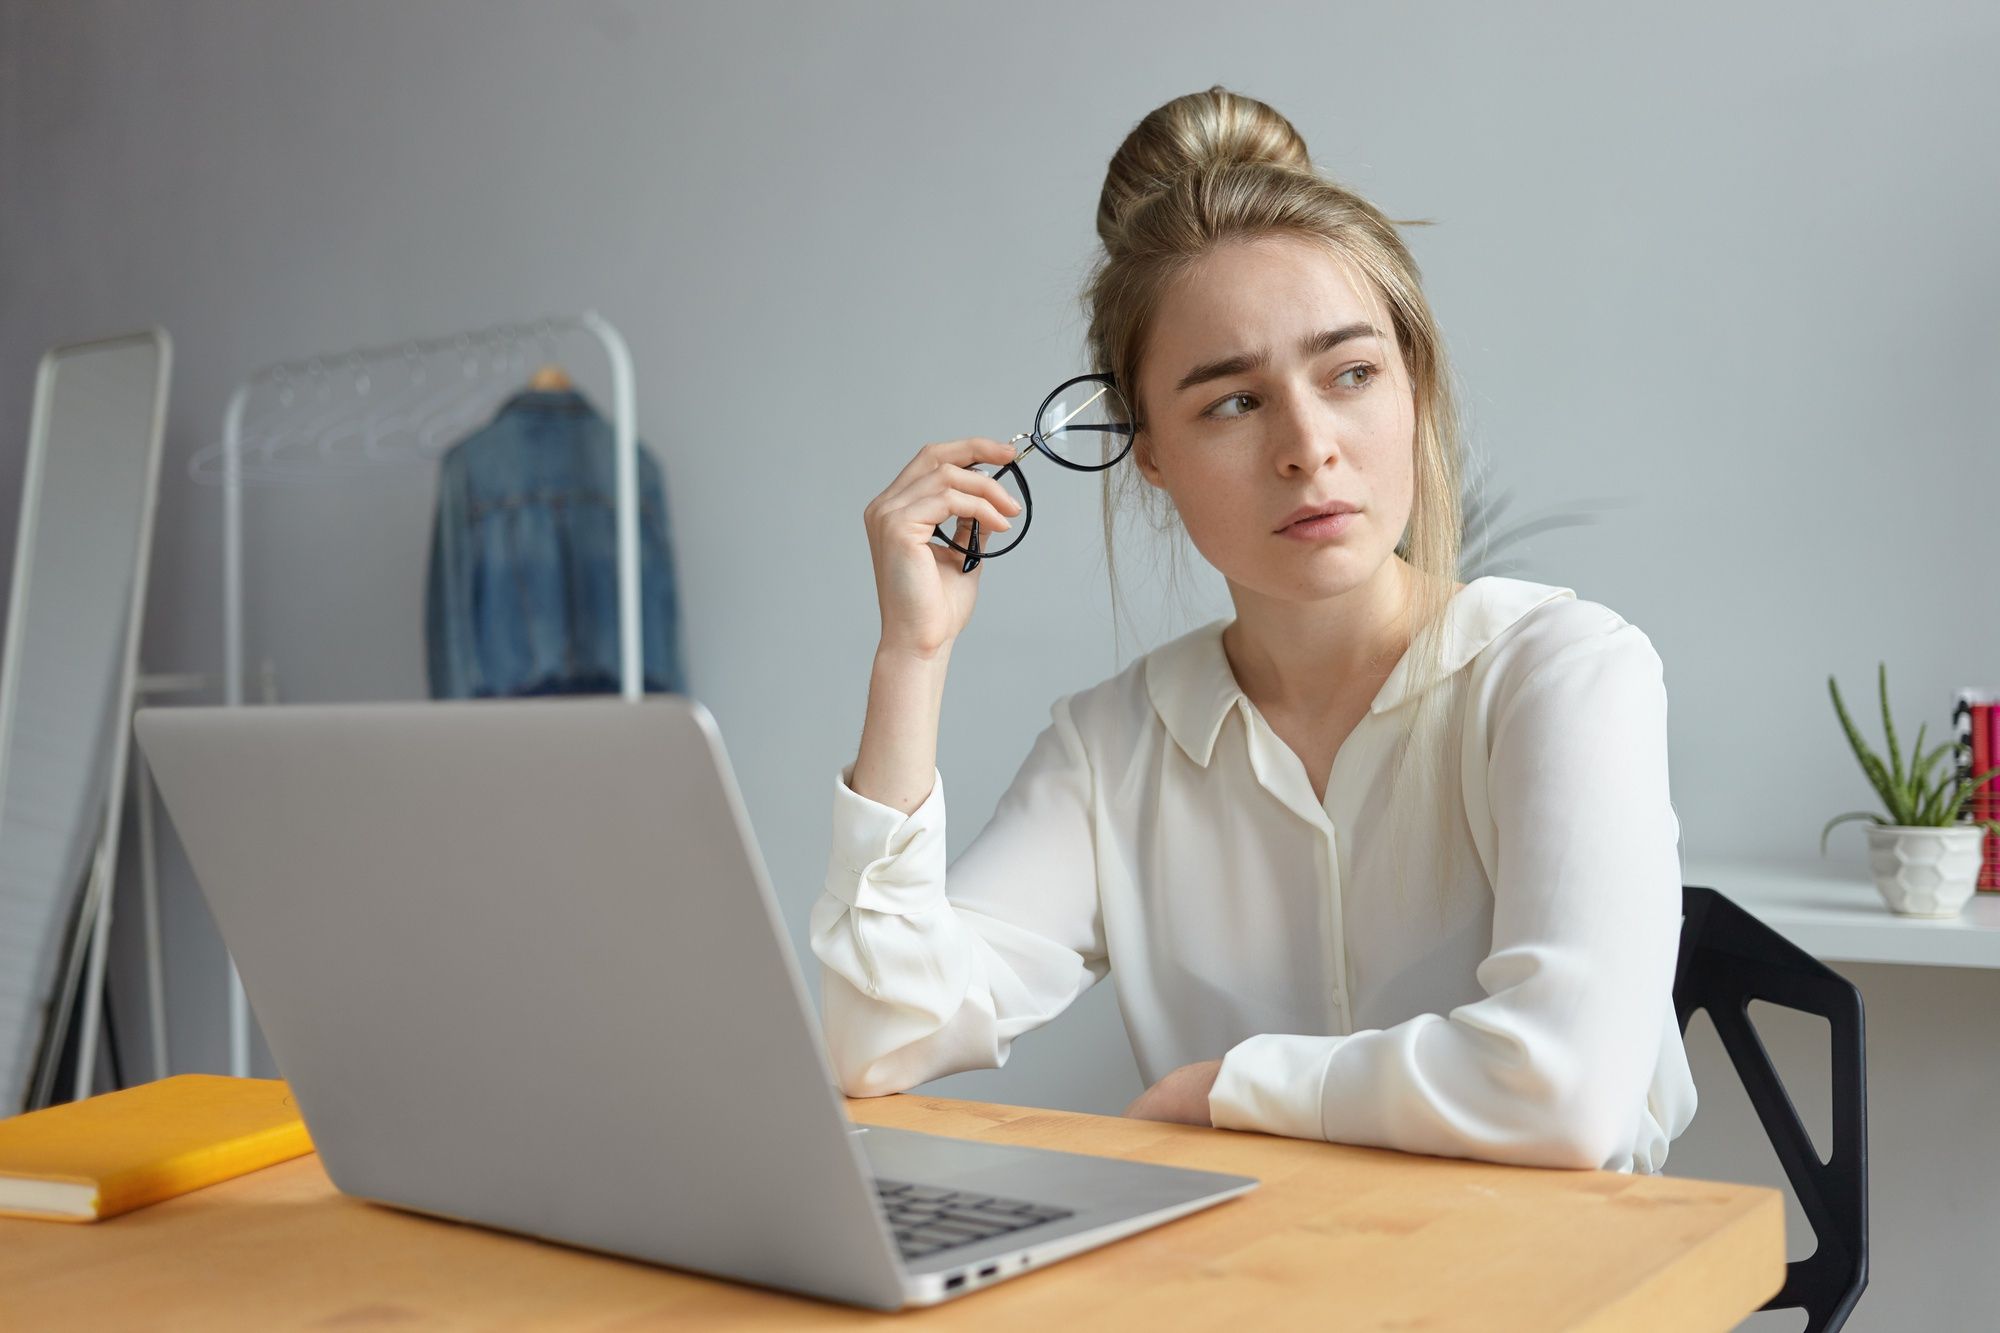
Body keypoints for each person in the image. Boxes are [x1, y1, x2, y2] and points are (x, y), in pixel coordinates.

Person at [809, 86, 1695, 1173]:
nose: (1307, 444)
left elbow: (1564, 1093)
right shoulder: (1114, 747)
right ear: (1148, 449)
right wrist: (912, 656)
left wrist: (1226, 1088)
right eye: (1230, 402)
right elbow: (875, 1038)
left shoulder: (1561, 672)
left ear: (1412, 388)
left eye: (1350, 373)